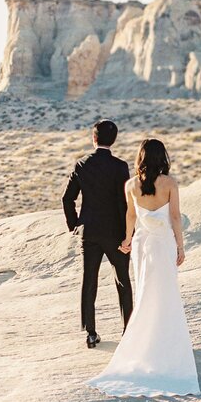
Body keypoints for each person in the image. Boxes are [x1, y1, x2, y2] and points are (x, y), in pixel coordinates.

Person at [87, 138, 200, 397]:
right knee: (166, 294)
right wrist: (181, 247)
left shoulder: (131, 185)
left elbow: (131, 215)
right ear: (163, 158)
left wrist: (127, 240)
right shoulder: (170, 184)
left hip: (142, 245)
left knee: (145, 294)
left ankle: (143, 345)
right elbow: (174, 217)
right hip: (163, 245)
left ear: (140, 158)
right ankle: (164, 347)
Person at [62, 119, 132, 348]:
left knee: (89, 280)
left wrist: (74, 225)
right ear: (114, 140)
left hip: (90, 232)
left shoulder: (82, 165)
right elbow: (125, 203)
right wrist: (127, 234)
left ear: (94, 138)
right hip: (115, 232)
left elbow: (67, 198)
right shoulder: (120, 167)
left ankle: (91, 333)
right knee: (122, 280)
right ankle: (128, 330)